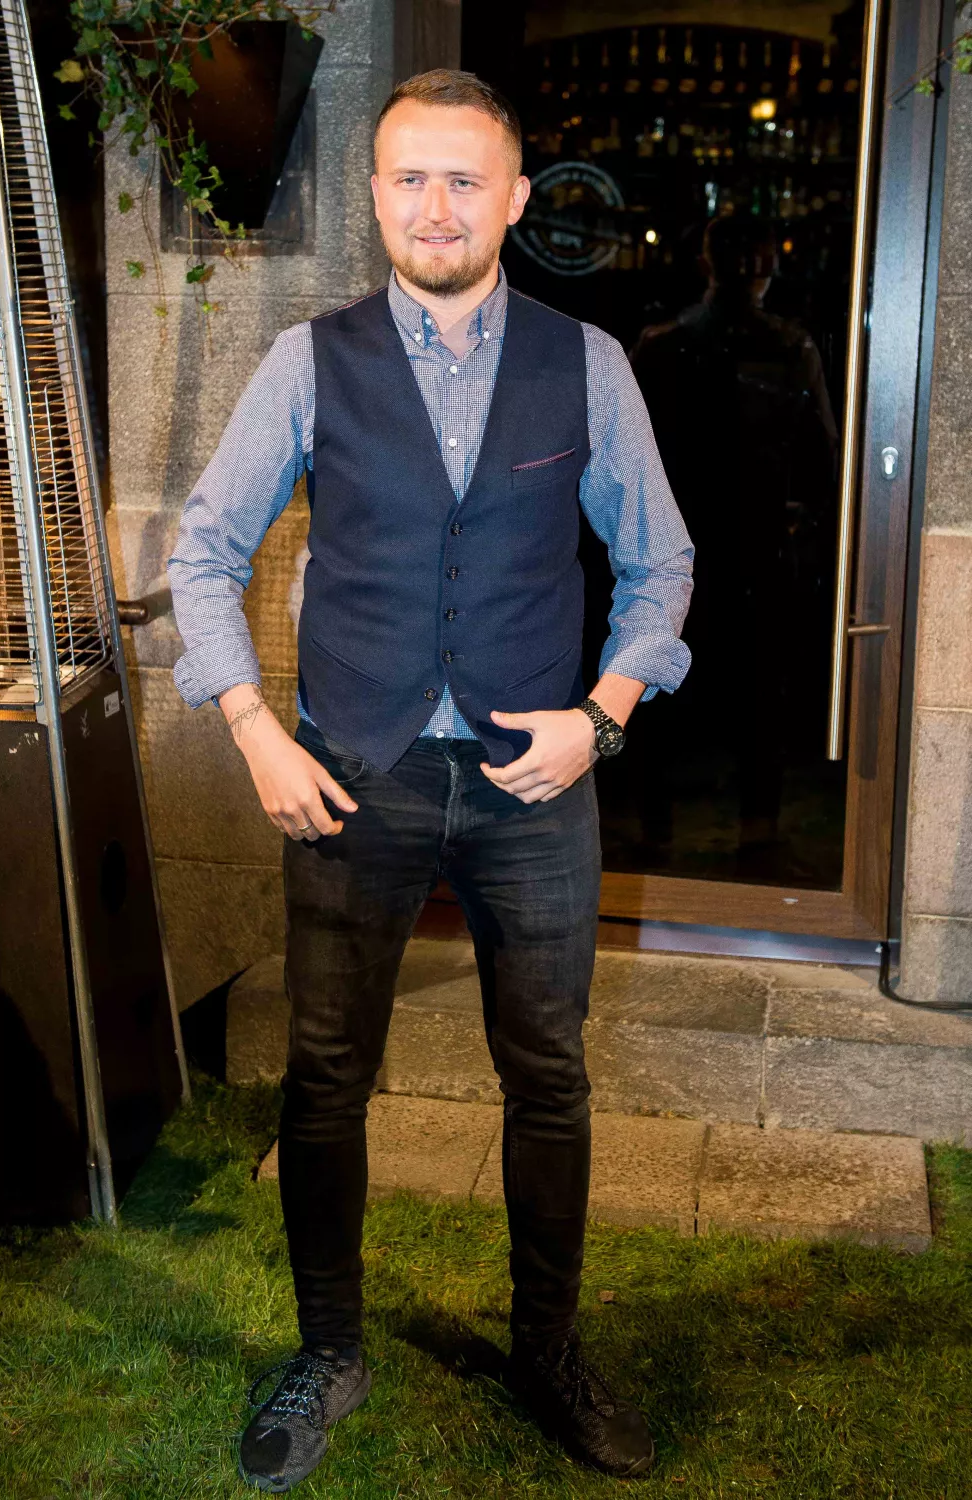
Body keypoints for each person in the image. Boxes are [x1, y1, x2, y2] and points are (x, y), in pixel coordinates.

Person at [169, 68, 693, 1491]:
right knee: (327, 1072)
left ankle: (548, 1351)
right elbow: (203, 553)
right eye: (411, 177)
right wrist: (254, 728)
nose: (437, 206)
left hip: (537, 783)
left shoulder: (587, 364)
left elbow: (659, 564)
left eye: (466, 179)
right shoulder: (308, 361)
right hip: (354, 774)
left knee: (550, 1076)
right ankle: (329, 1350)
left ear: (516, 199)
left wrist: (602, 717)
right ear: (376, 195)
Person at [630, 215, 837, 876]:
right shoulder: (788, 346)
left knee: (661, 689)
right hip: (756, 544)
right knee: (759, 694)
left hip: (681, 543)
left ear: (707, 263)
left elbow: (627, 459)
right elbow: (823, 458)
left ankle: (658, 831)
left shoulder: (663, 346)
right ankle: (755, 833)